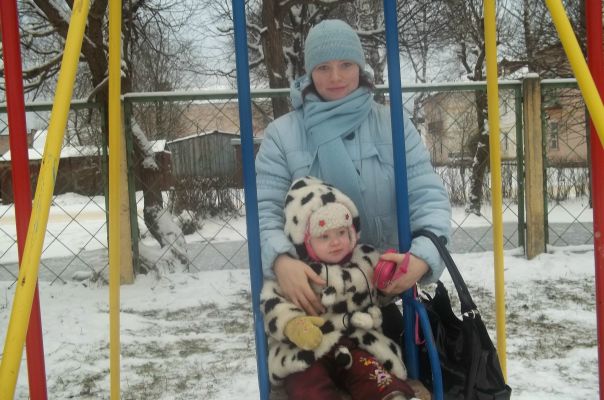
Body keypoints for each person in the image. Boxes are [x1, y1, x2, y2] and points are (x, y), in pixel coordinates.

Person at [255, 19, 451, 339]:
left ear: (360, 67)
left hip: (381, 289)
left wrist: (422, 256)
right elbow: (264, 211)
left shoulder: (393, 125)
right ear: (309, 72)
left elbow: (427, 195)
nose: (336, 77)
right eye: (323, 67)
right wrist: (280, 261)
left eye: (346, 64)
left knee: (393, 366)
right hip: (312, 297)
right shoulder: (282, 134)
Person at [260, 176, 418, 400]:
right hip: (307, 349)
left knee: (373, 374)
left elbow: (381, 295)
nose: (335, 242)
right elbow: (272, 303)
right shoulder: (296, 270)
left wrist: (390, 281)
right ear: (305, 240)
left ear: (352, 231)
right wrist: (293, 324)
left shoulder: (365, 260)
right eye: (324, 236)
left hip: (356, 342)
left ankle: (393, 396)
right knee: (307, 386)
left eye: (341, 233)